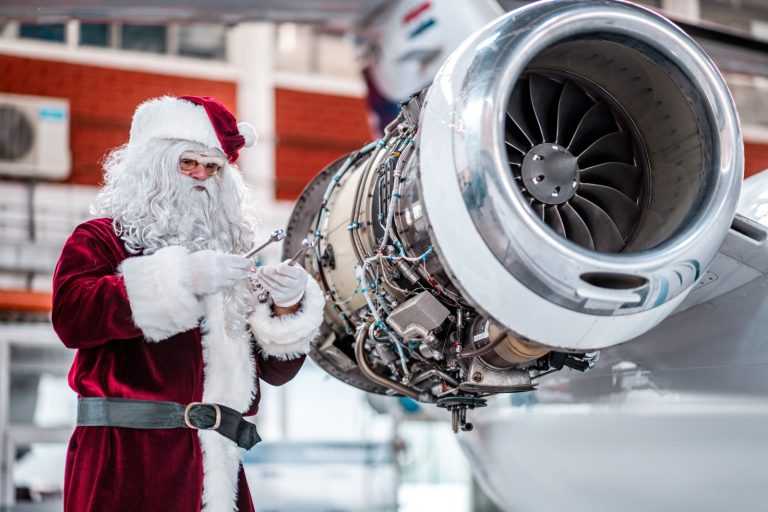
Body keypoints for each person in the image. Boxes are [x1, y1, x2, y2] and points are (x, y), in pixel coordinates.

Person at [51, 95, 325, 512]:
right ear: (153, 166)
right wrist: (181, 279)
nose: (201, 176)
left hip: (216, 471)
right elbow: (73, 317)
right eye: (188, 163)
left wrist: (286, 309)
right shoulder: (100, 239)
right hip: (122, 462)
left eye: (213, 168)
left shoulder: (229, 256)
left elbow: (274, 372)